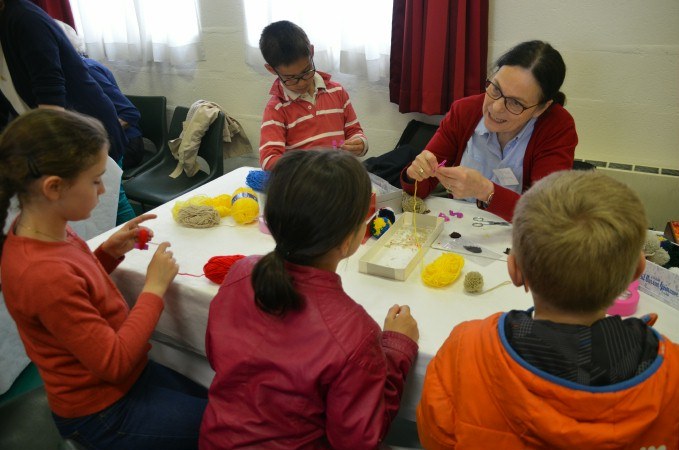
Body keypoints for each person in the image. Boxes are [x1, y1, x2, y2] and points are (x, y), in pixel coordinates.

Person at [416, 170, 679, 449]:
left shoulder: (466, 348)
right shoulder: (672, 373)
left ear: (515, 270)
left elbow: (436, 438)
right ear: (638, 270)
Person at [0, 109, 207, 449]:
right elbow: (114, 362)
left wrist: (108, 253)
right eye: (95, 180)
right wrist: (153, 289)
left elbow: (76, 287)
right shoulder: (41, 273)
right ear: (54, 187)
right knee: (228, 424)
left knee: (222, 401)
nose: (103, 189)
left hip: (130, 380)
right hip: (103, 412)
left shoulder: (47, 232)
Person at [200, 150, 419, 449]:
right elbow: (358, 439)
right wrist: (397, 348)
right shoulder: (354, 332)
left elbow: (217, 356)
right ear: (349, 240)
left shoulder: (240, 272)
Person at [402, 40, 578, 222]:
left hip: (519, 230)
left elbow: (546, 214)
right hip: (459, 224)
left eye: (515, 103)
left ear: (541, 108)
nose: (496, 107)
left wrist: (485, 191)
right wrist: (415, 173)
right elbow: (419, 187)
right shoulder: (464, 111)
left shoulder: (557, 127)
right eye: (495, 89)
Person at [0, 0, 135, 224]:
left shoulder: (24, 18)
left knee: (109, 202)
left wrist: (44, 151)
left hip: (82, 129)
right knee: (76, 212)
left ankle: (137, 244)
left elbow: (50, 92)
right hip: (51, 134)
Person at [258, 20, 368, 170]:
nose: (301, 83)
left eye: (306, 72)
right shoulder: (276, 109)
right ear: (271, 70)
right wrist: (308, 167)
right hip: (305, 181)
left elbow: (354, 131)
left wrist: (360, 144)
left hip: (340, 176)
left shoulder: (337, 92)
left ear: (311, 52)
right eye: (291, 78)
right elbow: (268, 160)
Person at [54, 19, 146, 170]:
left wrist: (91, 137)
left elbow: (129, 114)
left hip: (126, 145)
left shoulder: (87, 70)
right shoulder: (60, 74)